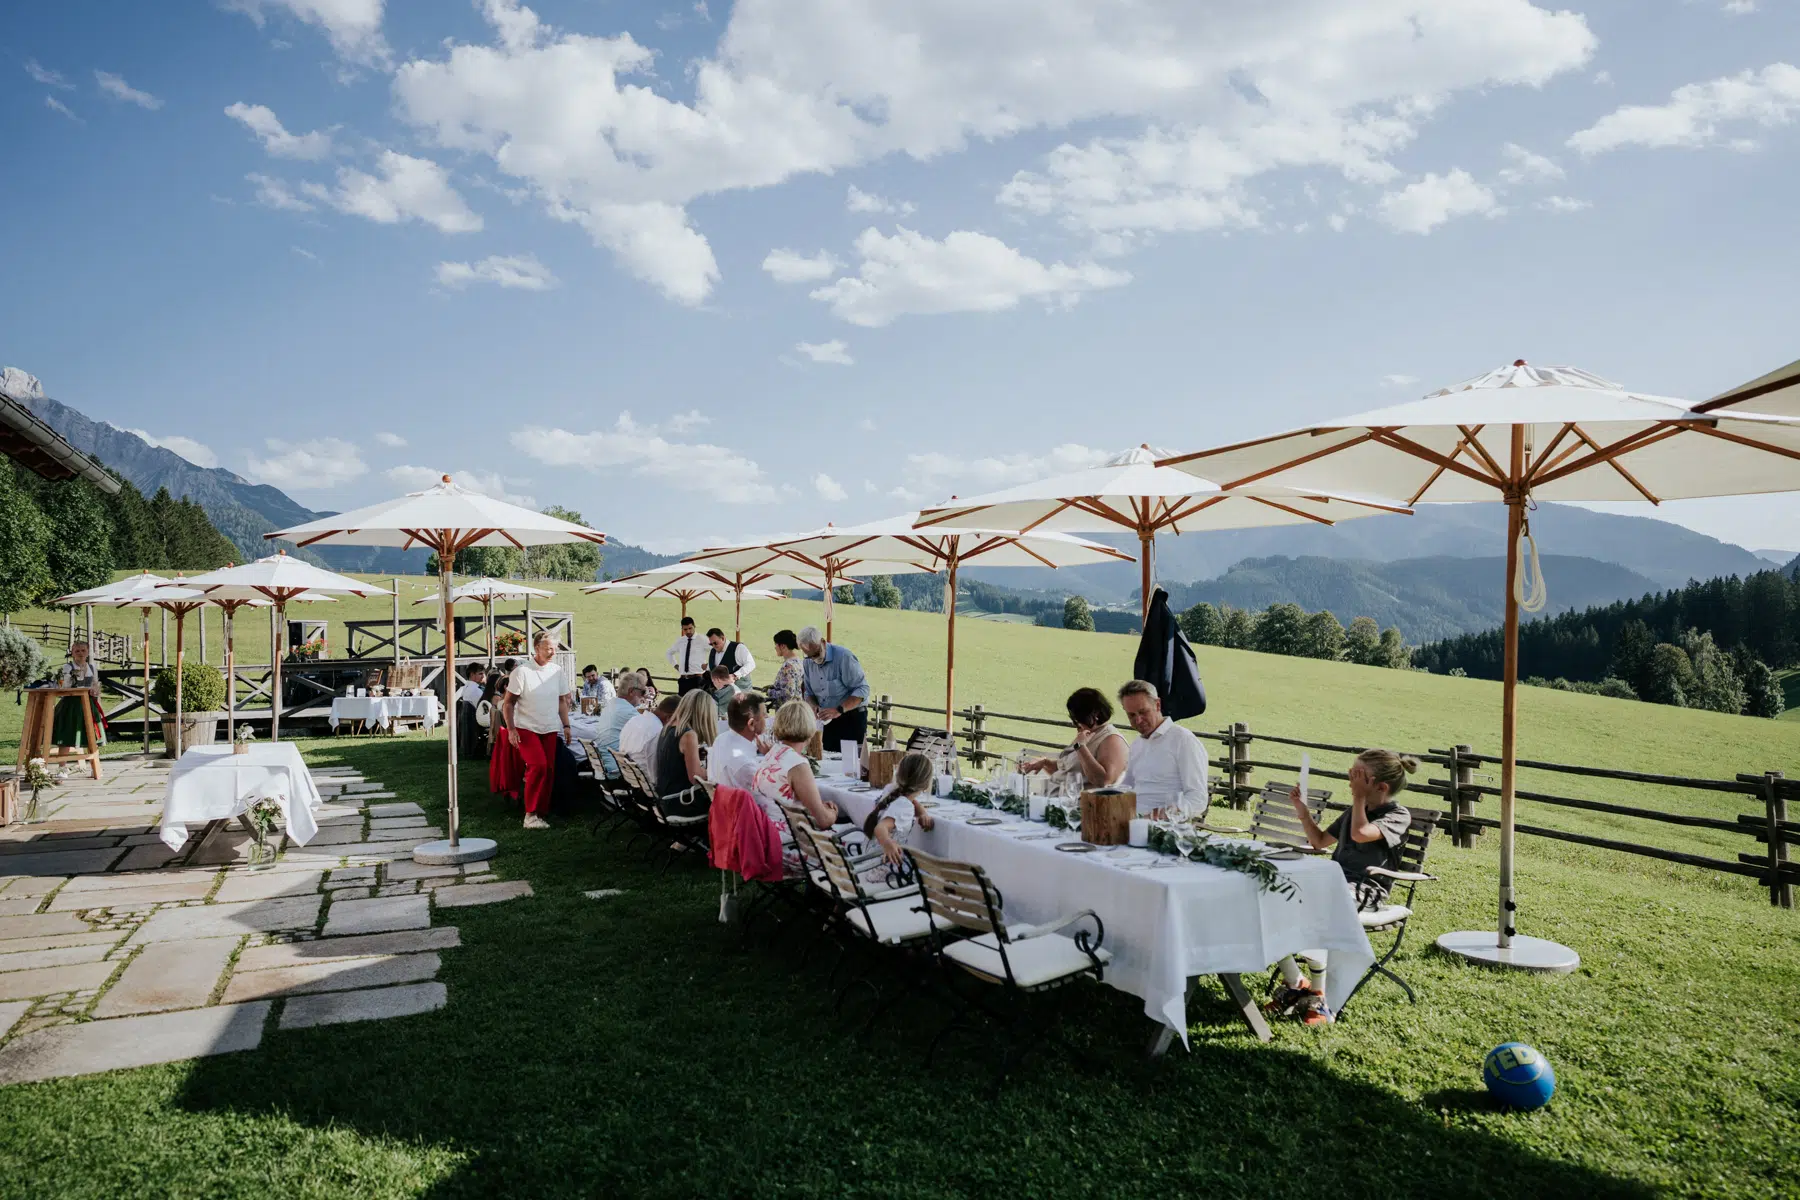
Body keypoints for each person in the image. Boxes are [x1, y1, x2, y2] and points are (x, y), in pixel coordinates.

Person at [1269, 749, 1419, 1026]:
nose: (1350, 781)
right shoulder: (1355, 811)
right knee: (1271, 897)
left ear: (1381, 787)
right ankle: (1295, 982)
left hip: (1366, 889)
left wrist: (1359, 798)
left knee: (1319, 907)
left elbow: (1361, 835)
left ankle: (1321, 999)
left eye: (1357, 776)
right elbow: (1319, 842)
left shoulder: (1397, 815)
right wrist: (1303, 813)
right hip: (1333, 883)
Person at [750, 701, 840, 856]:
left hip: (764, 839)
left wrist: (819, 806)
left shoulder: (773, 753)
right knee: (859, 837)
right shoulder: (797, 764)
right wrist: (833, 812)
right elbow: (824, 821)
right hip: (788, 846)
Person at [502, 631, 571, 830]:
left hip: (549, 727)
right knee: (538, 766)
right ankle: (530, 814)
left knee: (548, 770)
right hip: (526, 727)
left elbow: (561, 700)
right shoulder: (522, 672)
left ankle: (541, 812)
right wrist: (511, 729)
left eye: (554, 648)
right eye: (548, 648)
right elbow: (508, 703)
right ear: (536, 648)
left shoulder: (557, 671)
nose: (552, 652)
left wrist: (566, 725)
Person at [1118, 679, 1208, 819]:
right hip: (1129, 823)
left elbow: (1198, 799)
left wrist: (1160, 815)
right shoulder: (1138, 744)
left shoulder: (1183, 740)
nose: (1138, 720)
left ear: (1158, 705)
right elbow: (1126, 786)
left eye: (1143, 712)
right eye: (1132, 715)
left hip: (1163, 829)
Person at [1022, 687, 1127, 793]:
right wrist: (1044, 763)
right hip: (1053, 799)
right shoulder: (1087, 733)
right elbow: (1067, 770)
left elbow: (1103, 781)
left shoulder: (1112, 739)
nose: (1075, 723)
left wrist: (1081, 747)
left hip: (1075, 805)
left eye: (1077, 718)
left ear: (1095, 714)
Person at [859, 751, 937, 879]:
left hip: (867, 859)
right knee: (933, 875)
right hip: (883, 868)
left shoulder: (891, 790)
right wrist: (888, 843)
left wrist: (922, 813)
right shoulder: (905, 806)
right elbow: (880, 828)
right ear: (926, 783)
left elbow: (910, 801)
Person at [797, 625, 869, 751]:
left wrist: (839, 710)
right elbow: (808, 692)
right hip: (826, 722)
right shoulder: (808, 662)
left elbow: (862, 689)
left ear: (823, 642)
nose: (814, 659)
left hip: (850, 719)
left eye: (816, 653)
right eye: (809, 656)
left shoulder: (843, 657)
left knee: (849, 766)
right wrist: (813, 706)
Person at [654, 689, 717, 817]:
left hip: (665, 798)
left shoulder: (669, 727)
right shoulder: (688, 735)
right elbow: (695, 777)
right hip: (681, 801)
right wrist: (715, 769)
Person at [709, 691, 769, 791]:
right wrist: (772, 757)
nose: (768, 718)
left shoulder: (720, 739)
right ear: (751, 723)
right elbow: (773, 797)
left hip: (720, 803)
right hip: (743, 805)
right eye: (764, 715)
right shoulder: (746, 765)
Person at [51, 642, 103, 753]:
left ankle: (94, 768)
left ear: (88, 652)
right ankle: (62, 767)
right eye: (77, 651)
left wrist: (95, 690)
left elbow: (95, 684)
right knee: (66, 735)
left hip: (88, 704)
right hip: (70, 705)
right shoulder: (67, 667)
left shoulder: (92, 668)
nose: (80, 653)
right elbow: (64, 687)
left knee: (91, 734)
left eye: (83, 650)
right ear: (72, 653)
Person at [622, 694, 678, 788]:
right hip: (646, 786)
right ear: (670, 717)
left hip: (630, 778)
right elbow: (655, 775)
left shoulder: (634, 720)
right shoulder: (657, 731)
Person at [595, 671, 646, 756]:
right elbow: (648, 735)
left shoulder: (610, 705)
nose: (643, 697)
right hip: (616, 764)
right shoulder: (629, 712)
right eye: (643, 692)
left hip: (604, 759)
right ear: (631, 692)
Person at [666, 616, 707, 695]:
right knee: (682, 704)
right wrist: (676, 665)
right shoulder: (681, 641)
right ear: (682, 629)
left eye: (690, 628)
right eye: (685, 629)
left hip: (697, 679)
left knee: (697, 704)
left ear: (694, 627)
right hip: (683, 679)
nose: (688, 631)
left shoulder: (702, 639)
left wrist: (709, 665)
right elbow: (669, 653)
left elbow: (715, 650)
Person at [765, 629, 805, 708]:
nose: (775, 647)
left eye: (776, 644)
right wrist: (774, 687)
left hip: (788, 713)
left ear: (783, 646)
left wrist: (770, 692)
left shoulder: (788, 666)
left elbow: (788, 694)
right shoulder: (799, 662)